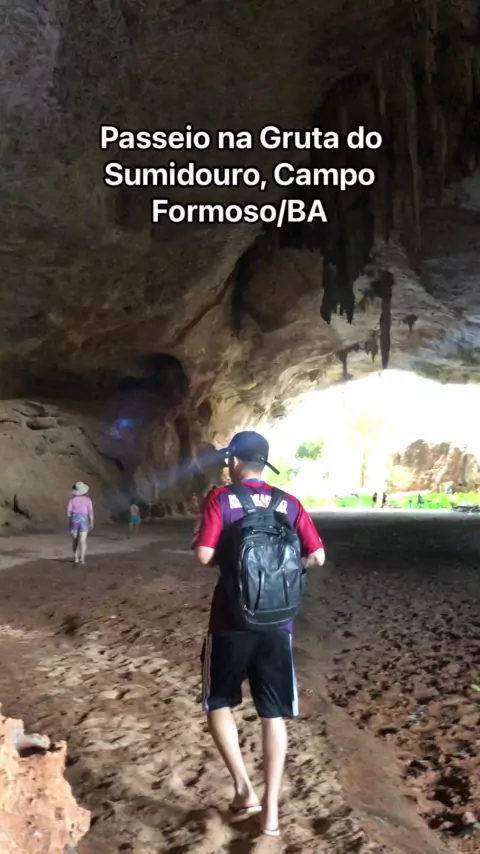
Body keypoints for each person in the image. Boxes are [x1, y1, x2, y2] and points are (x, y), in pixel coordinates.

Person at [192, 431, 325, 837]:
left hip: (230, 621)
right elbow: (318, 556)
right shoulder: (290, 502)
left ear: (233, 462)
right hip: (278, 625)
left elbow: (204, 555)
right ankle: (271, 813)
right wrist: (284, 571)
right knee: (273, 714)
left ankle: (243, 789)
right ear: (264, 464)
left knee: (218, 702)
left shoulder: (221, 499)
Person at [67, 482, 94, 564]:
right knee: (83, 540)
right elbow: (90, 512)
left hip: (74, 520)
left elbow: (68, 513)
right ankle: (82, 559)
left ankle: (76, 558)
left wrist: (71, 521)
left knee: (75, 540)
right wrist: (91, 522)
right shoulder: (88, 500)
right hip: (84, 520)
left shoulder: (72, 500)